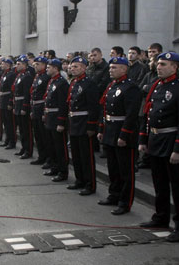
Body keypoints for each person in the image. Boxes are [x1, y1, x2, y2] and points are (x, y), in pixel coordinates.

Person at [139, 52, 179, 242]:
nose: (158, 67)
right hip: (156, 139)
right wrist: (144, 139)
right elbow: (148, 113)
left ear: (175, 67)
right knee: (159, 183)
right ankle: (161, 217)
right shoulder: (157, 86)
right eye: (158, 64)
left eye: (164, 64)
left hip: (172, 140)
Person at [97, 57, 141, 214]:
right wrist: (102, 130)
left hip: (122, 132)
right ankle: (114, 195)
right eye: (110, 67)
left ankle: (125, 201)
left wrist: (124, 135)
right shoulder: (111, 86)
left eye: (115, 67)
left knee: (125, 170)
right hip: (110, 130)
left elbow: (131, 114)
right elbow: (105, 109)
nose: (111, 70)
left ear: (124, 69)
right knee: (113, 167)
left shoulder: (131, 88)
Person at [67, 57, 100, 194]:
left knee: (86, 156)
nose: (73, 69)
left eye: (76, 66)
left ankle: (89, 184)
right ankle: (79, 179)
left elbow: (93, 106)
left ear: (84, 68)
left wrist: (92, 126)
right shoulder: (74, 82)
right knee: (76, 155)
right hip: (74, 122)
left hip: (84, 123)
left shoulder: (89, 83)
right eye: (72, 66)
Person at [42, 58, 69, 180]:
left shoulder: (62, 83)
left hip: (57, 118)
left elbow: (63, 104)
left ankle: (62, 171)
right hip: (50, 117)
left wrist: (61, 121)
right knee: (51, 145)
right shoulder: (52, 81)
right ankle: (54, 167)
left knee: (59, 147)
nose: (47, 68)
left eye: (49, 67)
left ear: (56, 68)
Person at [29, 56, 51, 165]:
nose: (35, 66)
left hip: (42, 108)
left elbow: (46, 96)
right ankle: (41, 156)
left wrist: (44, 112)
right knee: (37, 135)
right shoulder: (37, 76)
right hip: (35, 108)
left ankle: (47, 158)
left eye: (37, 64)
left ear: (44, 65)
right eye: (35, 64)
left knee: (44, 136)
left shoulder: (47, 77)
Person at [13, 55, 34, 159]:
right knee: (21, 129)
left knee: (26, 129)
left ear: (25, 65)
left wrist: (24, 107)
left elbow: (27, 93)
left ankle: (28, 150)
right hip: (18, 104)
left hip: (23, 105)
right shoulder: (20, 76)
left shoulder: (27, 76)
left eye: (18, 64)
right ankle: (23, 148)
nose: (16, 65)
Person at [0, 58, 17, 149]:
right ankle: (7, 140)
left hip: (7, 100)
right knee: (5, 122)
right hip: (3, 100)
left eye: (3, 64)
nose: (1, 65)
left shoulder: (11, 75)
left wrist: (10, 102)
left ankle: (12, 142)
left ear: (8, 65)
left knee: (10, 123)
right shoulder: (4, 74)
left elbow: (11, 90)